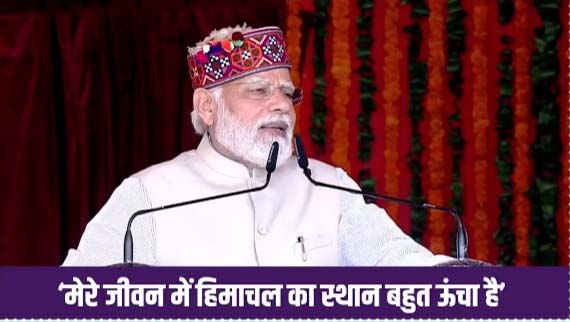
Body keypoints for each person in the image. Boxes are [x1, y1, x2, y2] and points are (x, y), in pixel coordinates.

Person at [62, 24, 454, 266]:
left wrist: (449, 278)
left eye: (287, 93)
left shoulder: (331, 187)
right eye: (259, 91)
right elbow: (77, 297)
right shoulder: (148, 196)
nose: (281, 104)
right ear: (207, 108)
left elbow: (394, 260)